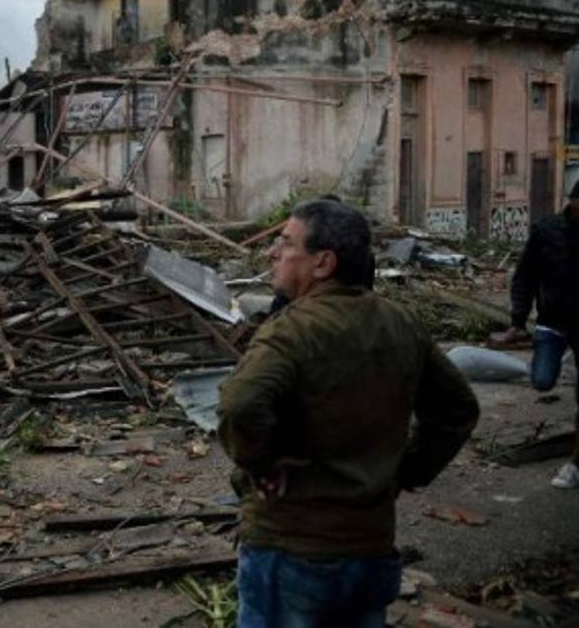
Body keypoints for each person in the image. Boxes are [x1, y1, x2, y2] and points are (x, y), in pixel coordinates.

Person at [219, 199, 479, 627]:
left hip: (292, 548)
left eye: (285, 244)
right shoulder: (399, 322)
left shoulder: (291, 330)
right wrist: (408, 471)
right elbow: (457, 409)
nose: (272, 255)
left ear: (323, 263)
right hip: (370, 549)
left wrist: (262, 462)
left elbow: (240, 405)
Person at [490, 180, 579, 489]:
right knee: (542, 380)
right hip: (551, 322)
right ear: (573, 202)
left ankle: (574, 465)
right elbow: (525, 276)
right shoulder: (547, 232)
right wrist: (517, 321)